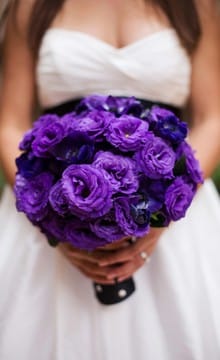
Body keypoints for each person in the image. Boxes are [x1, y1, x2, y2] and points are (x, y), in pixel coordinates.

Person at [0, 0, 220, 359]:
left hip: (175, 219)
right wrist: (54, 222)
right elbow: (10, 123)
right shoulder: (30, 5)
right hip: (54, 215)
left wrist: (160, 217)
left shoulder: (198, 5)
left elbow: (212, 118)